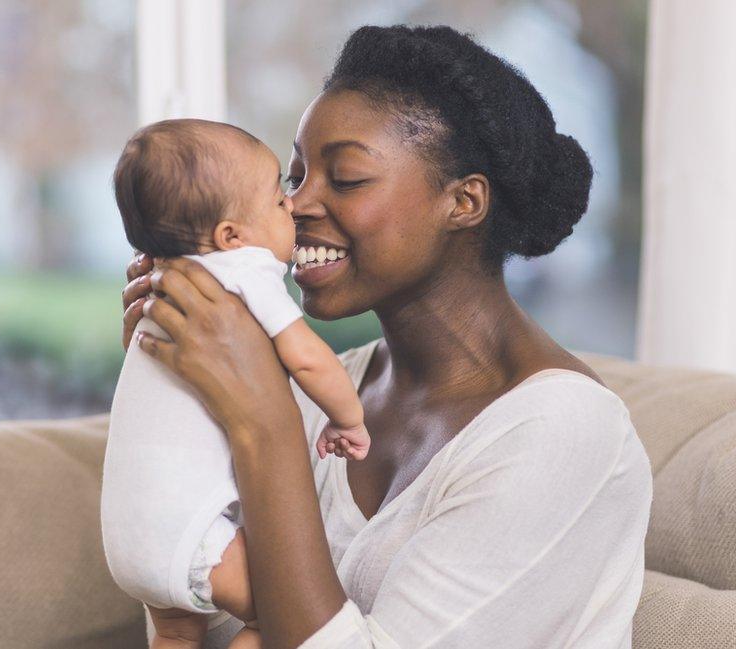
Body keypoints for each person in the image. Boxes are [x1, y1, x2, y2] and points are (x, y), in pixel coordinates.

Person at [120, 24, 653, 648]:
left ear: (463, 202)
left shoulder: (563, 433)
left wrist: (262, 424)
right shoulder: (325, 385)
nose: (297, 204)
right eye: (291, 179)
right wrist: (176, 400)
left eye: (344, 178)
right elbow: (201, 613)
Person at [101, 118, 371, 649]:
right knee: (277, 617)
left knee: (177, 634)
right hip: (197, 536)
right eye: (278, 197)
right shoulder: (242, 273)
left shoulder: (171, 286)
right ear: (231, 236)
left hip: (124, 540)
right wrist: (348, 418)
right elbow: (310, 359)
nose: (293, 206)